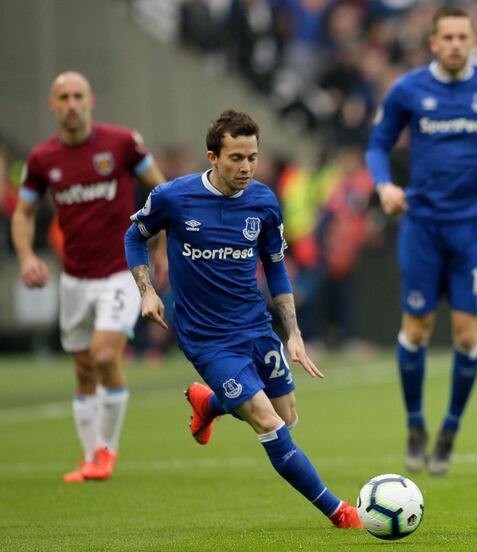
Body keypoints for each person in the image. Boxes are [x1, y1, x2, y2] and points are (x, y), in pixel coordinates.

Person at [123, 109, 362, 529]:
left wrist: (293, 333)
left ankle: (209, 403)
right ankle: (338, 511)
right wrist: (146, 292)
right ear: (212, 157)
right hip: (207, 339)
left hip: (255, 326)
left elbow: (275, 268)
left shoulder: (264, 202)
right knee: (267, 421)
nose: (246, 167)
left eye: (252, 157)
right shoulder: (174, 198)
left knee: (287, 414)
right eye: (236, 158)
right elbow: (134, 236)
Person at [364, 5, 477, 476]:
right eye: (448, 37)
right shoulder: (408, 90)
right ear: (434, 42)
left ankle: (450, 429)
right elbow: (378, 143)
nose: (456, 44)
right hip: (422, 225)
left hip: (476, 225)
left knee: (466, 335)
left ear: (473, 40)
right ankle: (415, 426)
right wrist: (384, 186)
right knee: (416, 330)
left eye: (464, 36)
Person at [12, 71, 166, 483]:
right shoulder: (42, 160)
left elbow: (163, 191)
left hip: (121, 271)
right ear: (52, 105)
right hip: (75, 279)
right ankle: (89, 457)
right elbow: (24, 212)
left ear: (91, 100)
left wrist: (164, 246)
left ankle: (106, 451)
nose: (71, 104)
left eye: (78, 96)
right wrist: (27, 255)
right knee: (82, 369)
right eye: (63, 97)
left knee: (102, 355)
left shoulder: (121, 143)